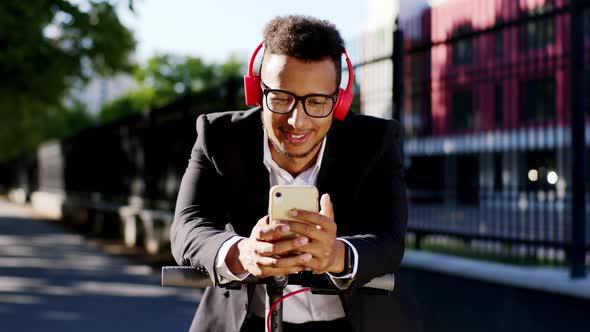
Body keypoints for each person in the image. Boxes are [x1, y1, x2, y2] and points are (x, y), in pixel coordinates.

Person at [171, 15, 420, 332]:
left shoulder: (376, 141)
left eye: (316, 102)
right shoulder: (217, 136)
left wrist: (336, 255)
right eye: (280, 99)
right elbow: (187, 227)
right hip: (248, 321)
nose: (296, 121)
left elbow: (390, 239)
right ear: (257, 92)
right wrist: (241, 252)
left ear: (340, 101)